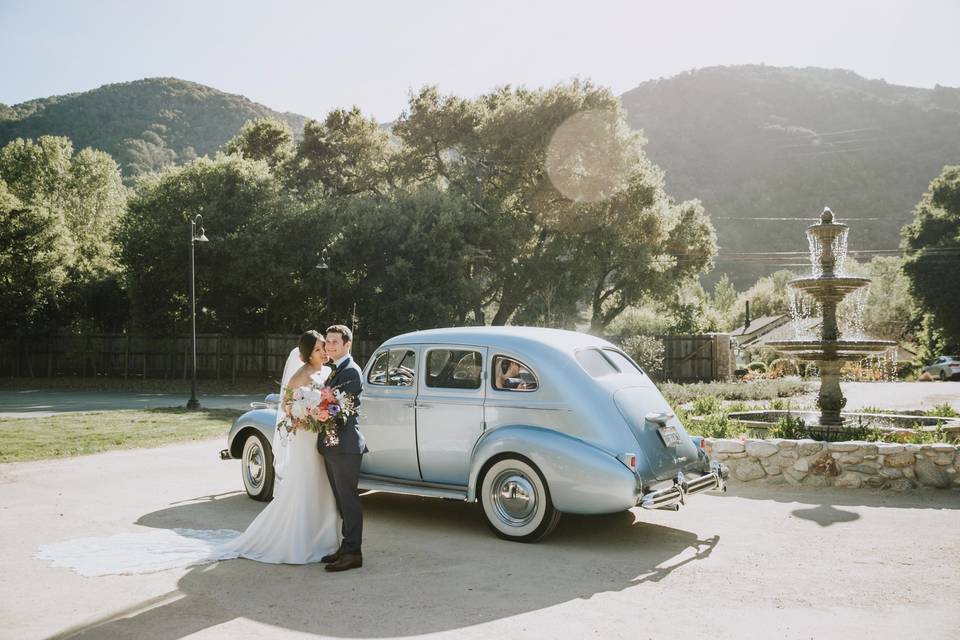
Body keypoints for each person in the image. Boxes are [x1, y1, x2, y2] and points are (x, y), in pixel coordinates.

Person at [34, 331, 341, 576]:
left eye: (323, 350)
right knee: (302, 487)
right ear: (305, 354)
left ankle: (322, 538)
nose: (322, 353)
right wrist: (305, 412)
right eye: (317, 350)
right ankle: (297, 542)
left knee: (319, 486)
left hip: (317, 438)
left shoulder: (326, 372)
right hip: (303, 435)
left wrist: (320, 409)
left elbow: (328, 399)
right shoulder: (299, 375)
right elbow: (287, 407)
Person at [316, 324, 368, 572]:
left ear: (348, 344)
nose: (330, 345)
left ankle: (353, 553)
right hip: (333, 445)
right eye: (327, 341)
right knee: (341, 500)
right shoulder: (335, 369)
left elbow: (339, 409)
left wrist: (315, 410)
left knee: (349, 501)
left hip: (345, 446)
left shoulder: (352, 372)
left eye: (335, 341)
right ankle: (346, 547)